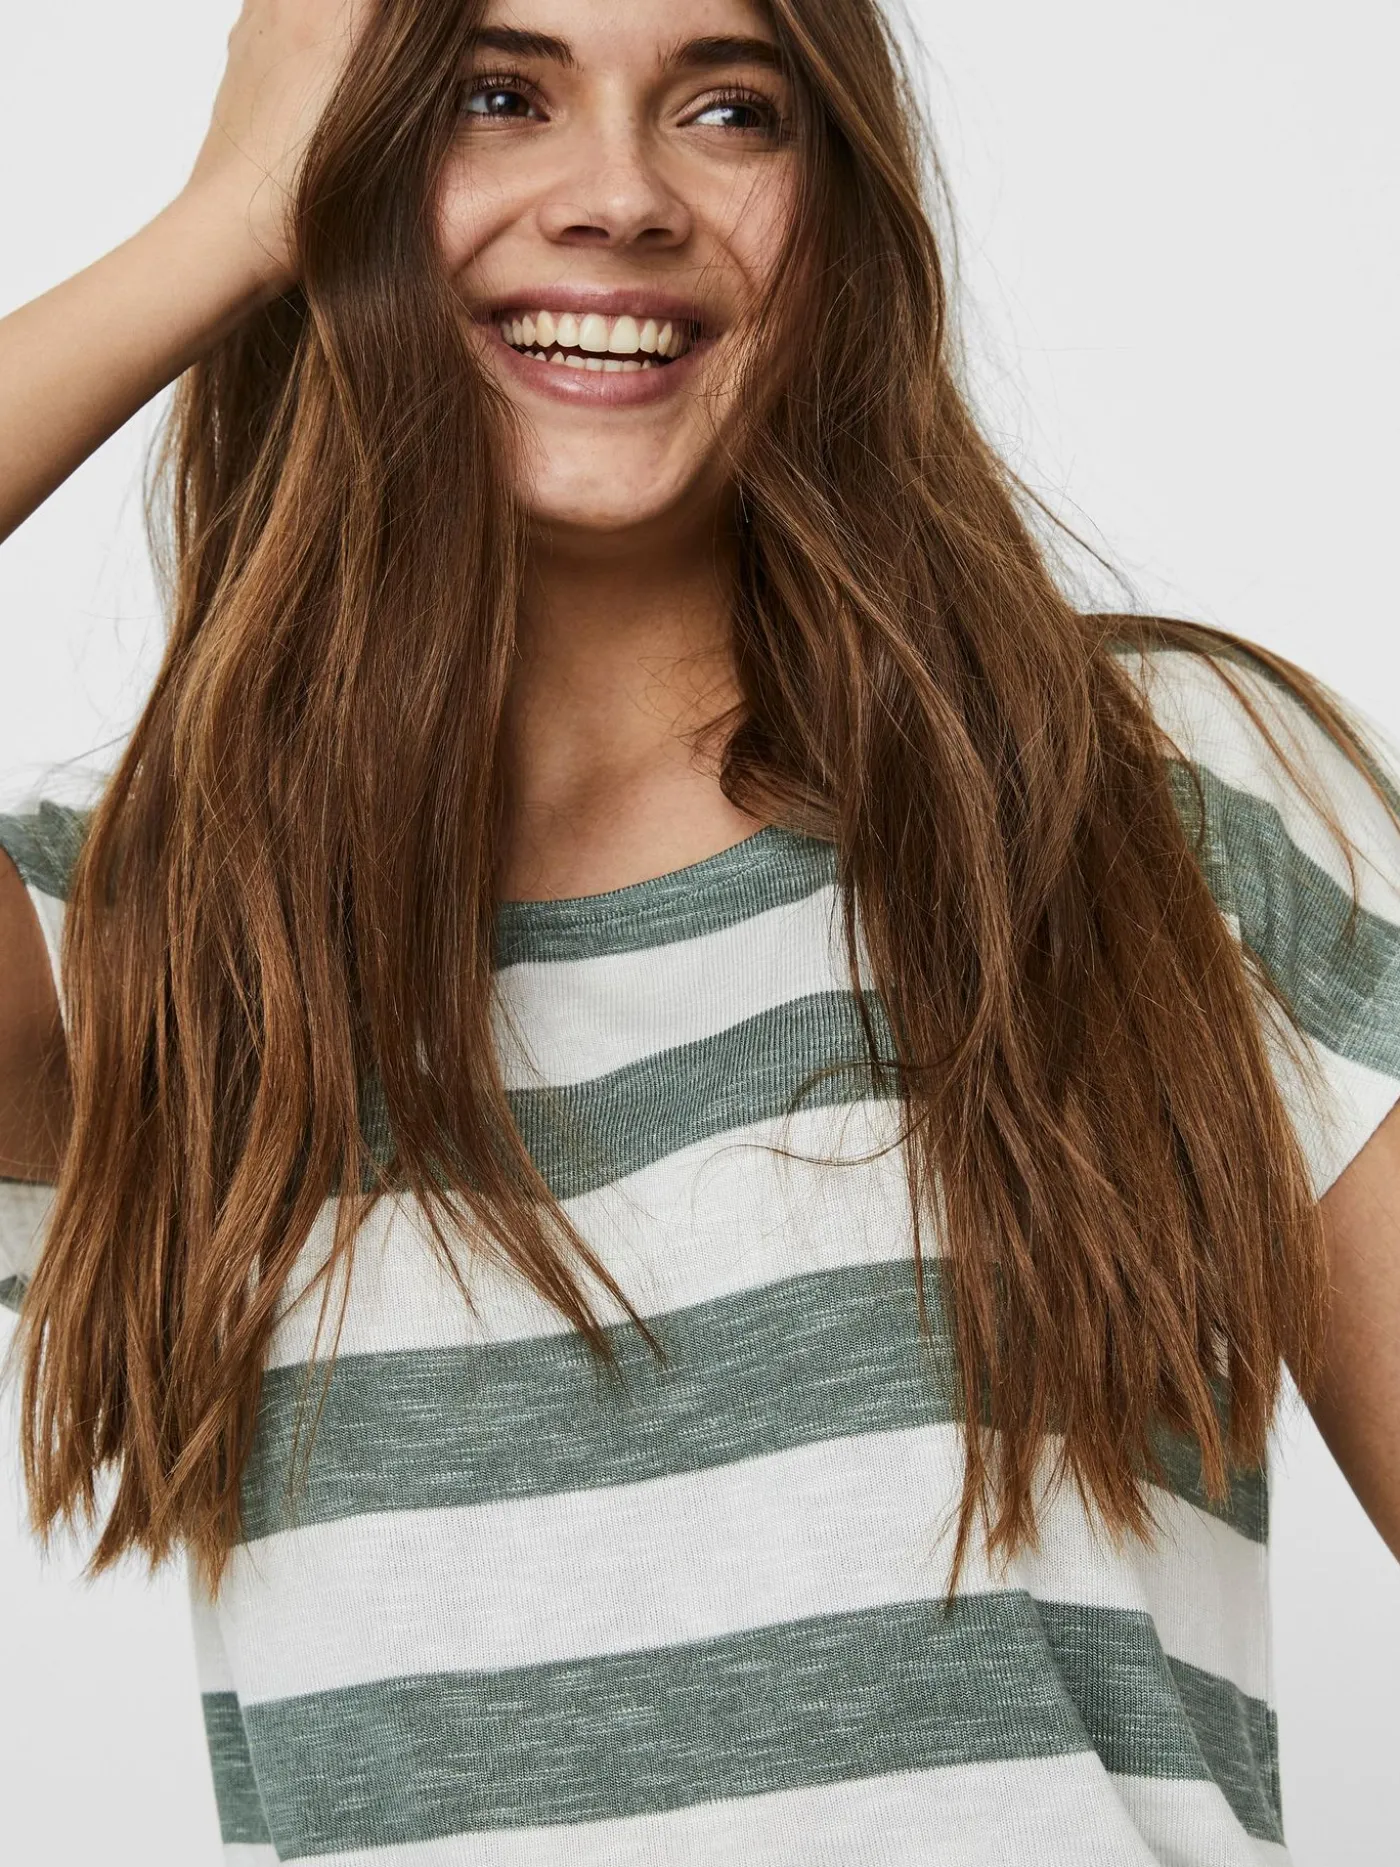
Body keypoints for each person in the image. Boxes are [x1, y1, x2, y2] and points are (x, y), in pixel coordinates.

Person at [0, 1, 1396, 1861]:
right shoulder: (163, 951)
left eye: (731, 110)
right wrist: (232, 222)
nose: (623, 195)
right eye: (497, 97)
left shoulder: (1145, 806)